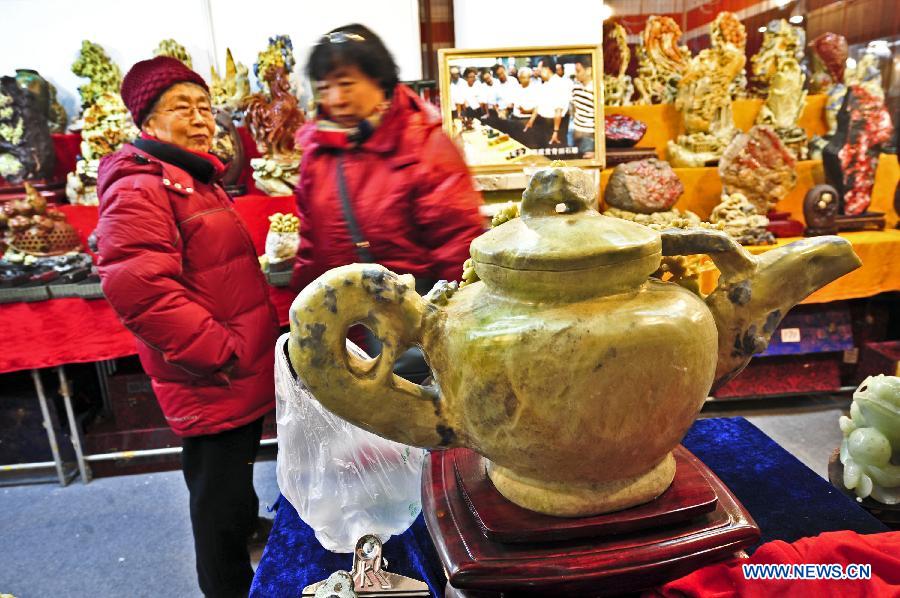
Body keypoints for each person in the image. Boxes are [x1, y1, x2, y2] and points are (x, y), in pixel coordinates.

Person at [95, 56, 280, 598]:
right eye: (183, 108)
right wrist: (219, 353)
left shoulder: (192, 178)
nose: (201, 119)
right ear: (148, 123)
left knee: (231, 485)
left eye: (205, 107)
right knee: (216, 503)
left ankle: (245, 539)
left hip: (231, 371)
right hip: (209, 375)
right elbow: (139, 288)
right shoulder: (141, 185)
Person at [292, 24, 483, 379]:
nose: (335, 98)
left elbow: (459, 247)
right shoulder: (317, 154)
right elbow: (310, 246)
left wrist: (458, 334)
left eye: (345, 83)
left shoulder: (424, 144)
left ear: (379, 80)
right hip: (344, 330)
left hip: (412, 329)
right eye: (324, 87)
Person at [525, 58, 570, 148]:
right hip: (543, 124)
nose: (539, 73)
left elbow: (558, 110)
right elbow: (539, 105)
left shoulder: (559, 84)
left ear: (547, 69)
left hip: (555, 126)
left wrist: (555, 132)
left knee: (555, 154)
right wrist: (531, 121)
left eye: (540, 70)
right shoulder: (545, 84)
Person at [571, 59, 596, 157]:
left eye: (578, 71)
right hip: (576, 132)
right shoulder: (575, 88)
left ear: (588, 70)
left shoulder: (596, 88)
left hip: (589, 135)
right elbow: (574, 108)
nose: (576, 74)